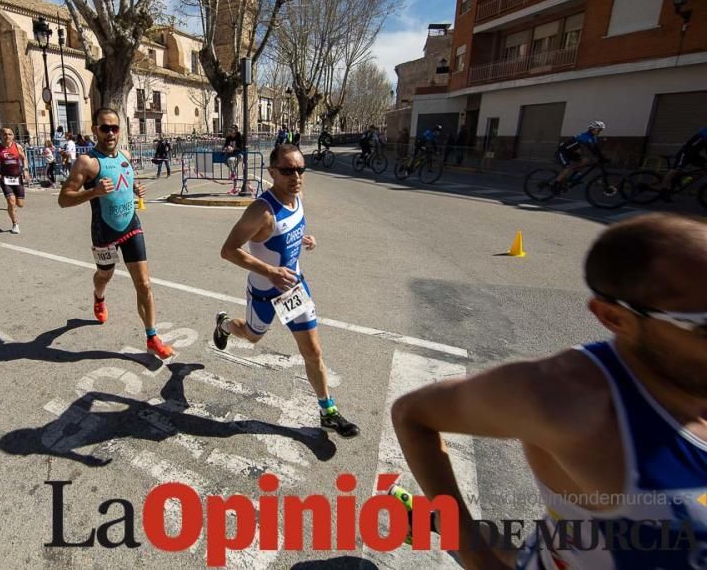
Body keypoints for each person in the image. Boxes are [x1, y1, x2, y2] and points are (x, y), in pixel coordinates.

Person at [392, 214, 707, 569]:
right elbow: (413, 415)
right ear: (616, 318)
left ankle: (424, 520)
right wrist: (477, 559)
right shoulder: (566, 396)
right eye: (703, 325)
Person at [212, 144, 360, 438]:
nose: (296, 176)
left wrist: (305, 238)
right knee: (253, 337)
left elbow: (290, 230)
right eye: (288, 170)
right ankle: (225, 324)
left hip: (293, 289)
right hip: (264, 292)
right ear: (272, 172)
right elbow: (228, 251)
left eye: (300, 169)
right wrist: (271, 272)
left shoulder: (297, 197)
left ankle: (327, 410)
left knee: (313, 351)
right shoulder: (261, 212)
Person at [57, 107, 174, 360]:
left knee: (144, 284)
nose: (110, 132)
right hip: (104, 232)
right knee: (104, 276)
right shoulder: (87, 162)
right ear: (95, 129)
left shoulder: (125, 154)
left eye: (115, 127)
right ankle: (99, 297)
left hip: (131, 226)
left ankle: (152, 336)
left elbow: (123, 179)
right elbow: (63, 199)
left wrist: (135, 188)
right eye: (104, 127)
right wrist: (93, 192)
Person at [0, 126, 31, 234]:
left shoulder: (17, 146)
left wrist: (26, 170)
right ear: (0, 136)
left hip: (17, 178)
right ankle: (15, 223)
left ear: (13, 136)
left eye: (10, 134)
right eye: (4, 134)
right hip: (5, 178)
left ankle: (11, 209)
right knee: (11, 202)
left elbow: (24, 158)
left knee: (20, 204)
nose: (7, 136)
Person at [656, 126, 707, 198]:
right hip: (685, 153)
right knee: (675, 170)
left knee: (705, 168)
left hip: (694, 155)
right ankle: (662, 191)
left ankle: (685, 181)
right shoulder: (704, 133)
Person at [555, 120, 605, 186]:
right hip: (562, 151)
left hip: (571, 152)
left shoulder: (592, 137)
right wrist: (601, 157)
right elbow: (591, 149)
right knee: (567, 168)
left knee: (586, 160)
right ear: (593, 129)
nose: (599, 132)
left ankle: (573, 177)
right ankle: (555, 184)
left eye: (600, 130)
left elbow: (596, 148)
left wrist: (602, 157)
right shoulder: (585, 136)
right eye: (599, 130)